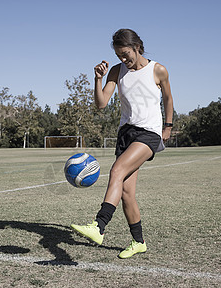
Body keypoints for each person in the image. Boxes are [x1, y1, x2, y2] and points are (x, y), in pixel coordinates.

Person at [71, 29, 174, 259]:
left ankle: (99, 225)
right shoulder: (118, 71)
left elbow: (168, 98)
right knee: (127, 192)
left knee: (116, 171)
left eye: (126, 54)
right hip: (125, 134)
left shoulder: (158, 70)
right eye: (119, 55)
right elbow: (101, 103)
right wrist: (98, 79)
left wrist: (168, 126)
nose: (123, 59)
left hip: (149, 133)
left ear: (137, 47)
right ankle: (139, 241)